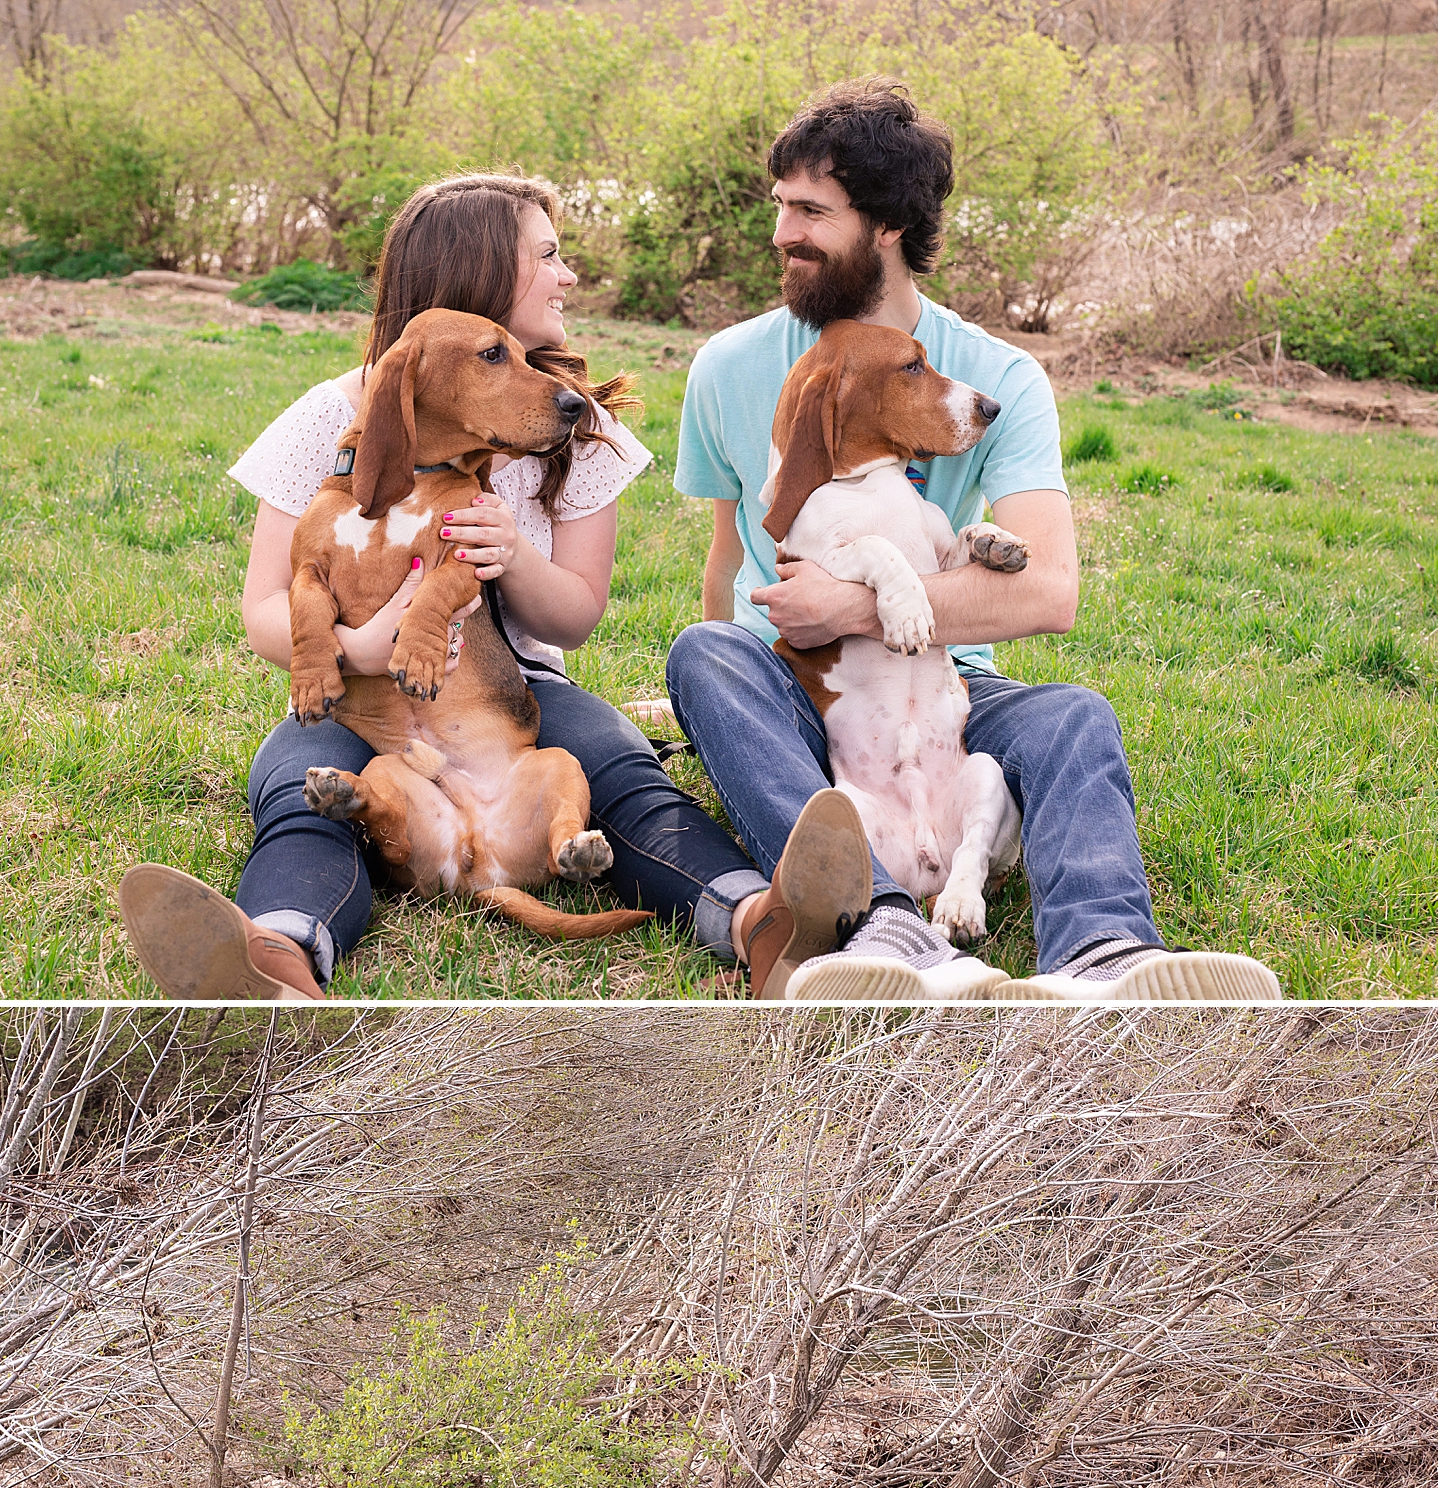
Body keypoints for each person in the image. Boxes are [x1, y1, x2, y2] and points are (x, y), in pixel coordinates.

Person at [119, 173, 863, 1002]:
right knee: (302, 792)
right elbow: (266, 605)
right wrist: (358, 645)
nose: (567, 275)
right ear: (475, 286)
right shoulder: (324, 422)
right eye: (547, 255)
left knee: (621, 774)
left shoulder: (577, 422)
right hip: (356, 699)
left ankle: (761, 925)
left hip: (508, 696)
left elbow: (575, 617)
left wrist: (514, 555)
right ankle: (279, 963)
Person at [666, 80, 1282, 1003]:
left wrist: (861, 604)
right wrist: (728, 726)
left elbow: (1049, 591)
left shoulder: (999, 377)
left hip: (954, 686)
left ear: (886, 225)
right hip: (804, 685)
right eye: (780, 207)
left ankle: (1106, 956)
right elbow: (728, 564)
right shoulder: (728, 366)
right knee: (707, 656)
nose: (782, 234)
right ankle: (884, 929)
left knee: (1074, 714)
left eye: (810, 212)